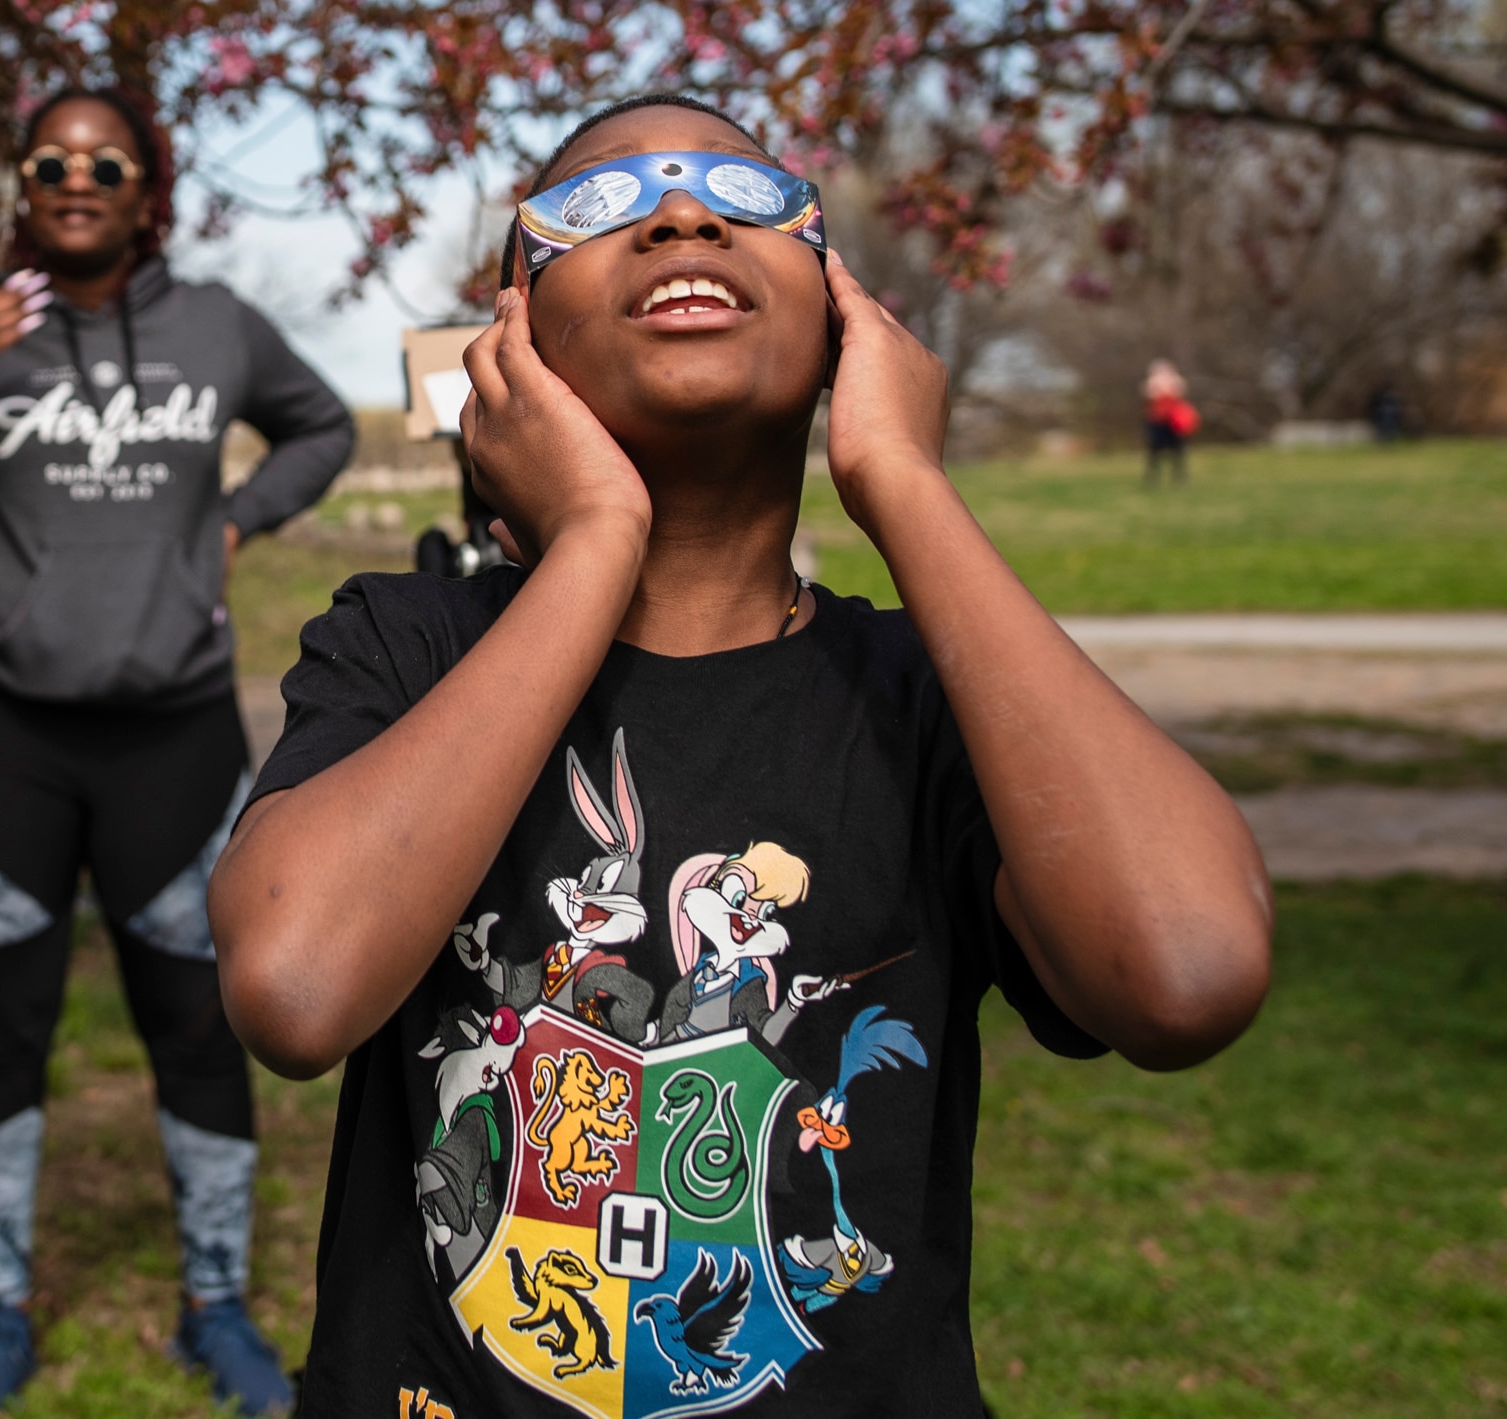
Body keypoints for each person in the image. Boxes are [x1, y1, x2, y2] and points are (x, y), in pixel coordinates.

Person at [209, 96, 1270, 1417]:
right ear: (514, 323)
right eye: (603, 204)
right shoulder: (407, 642)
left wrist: (902, 480)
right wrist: (595, 534)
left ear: (842, 308)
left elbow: (1188, 968)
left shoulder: (929, 696)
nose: (685, 211)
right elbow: (294, 986)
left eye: (750, 194)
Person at [0, 88, 357, 1415]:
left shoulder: (217, 327)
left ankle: (217, 1307)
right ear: (22, 183)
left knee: (200, 1028)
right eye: (52, 160)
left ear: (149, 188)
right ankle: (0, 1312)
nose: (78, 177)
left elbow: (325, 425)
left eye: (109, 161)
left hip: (176, 738)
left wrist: (239, 520)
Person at [1142, 358, 1197, 485]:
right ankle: (1152, 478)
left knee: (1178, 450)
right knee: (1154, 451)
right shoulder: (1150, 384)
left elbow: (1180, 395)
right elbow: (1149, 398)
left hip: (1173, 422)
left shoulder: (1176, 382)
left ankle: (1180, 477)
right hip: (1157, 422)